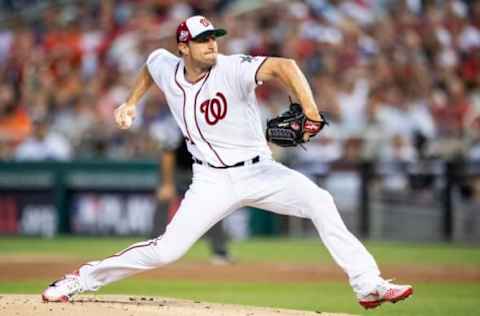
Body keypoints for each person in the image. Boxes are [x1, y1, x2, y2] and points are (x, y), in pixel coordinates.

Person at [42, 15, 413, 309]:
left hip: (260, 171)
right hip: (211, 183)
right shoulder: (166, 67)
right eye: (202, 40)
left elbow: (285, 66)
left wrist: (312, 111)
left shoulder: (232, 67)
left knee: (321, 202)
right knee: (165, 251)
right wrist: (130, 103)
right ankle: (81, 279)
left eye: (213, 37)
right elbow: (149, 65)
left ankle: (368, 284)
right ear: (183, 47)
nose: (211, 45)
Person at [151, 116, 232, 264]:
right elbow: (168, 154)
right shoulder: (178, 119)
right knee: (164, 199)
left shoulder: (213, 122)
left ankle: (220, 252)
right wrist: (167, 184)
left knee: (215, 205)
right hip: (176, 169)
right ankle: (153, 250)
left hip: (201, 168)